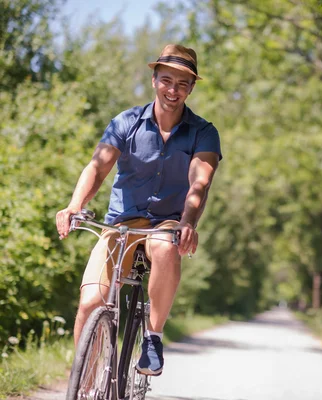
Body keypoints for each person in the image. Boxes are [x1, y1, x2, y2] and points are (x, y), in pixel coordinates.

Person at [55, 44, 222, 376]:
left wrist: (188, 222)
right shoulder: (127, 121)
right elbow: (97, 168)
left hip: (167, 222)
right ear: (154, 79)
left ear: (191, 88)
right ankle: (85, 384)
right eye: (166, 80)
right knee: (90, 303)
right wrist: (75, 205)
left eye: (182, 84)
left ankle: (153, 337)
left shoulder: (203, 132)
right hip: (122, 222)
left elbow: (199, 182)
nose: (172, 90)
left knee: (164, 245)